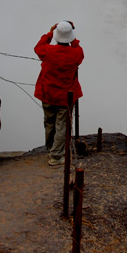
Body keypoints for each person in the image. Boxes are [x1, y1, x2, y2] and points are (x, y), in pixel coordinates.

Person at [34, 21, 84, 166]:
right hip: (65, 97)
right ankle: (56, 156)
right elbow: (79, 50)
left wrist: (50, 32)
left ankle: (51, 150)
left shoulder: (47, 51)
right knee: (62, 125)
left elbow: (37, 47)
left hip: (48, 93)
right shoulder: (76, 53)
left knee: (49, 122)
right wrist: (71, 36)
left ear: (56, 37)